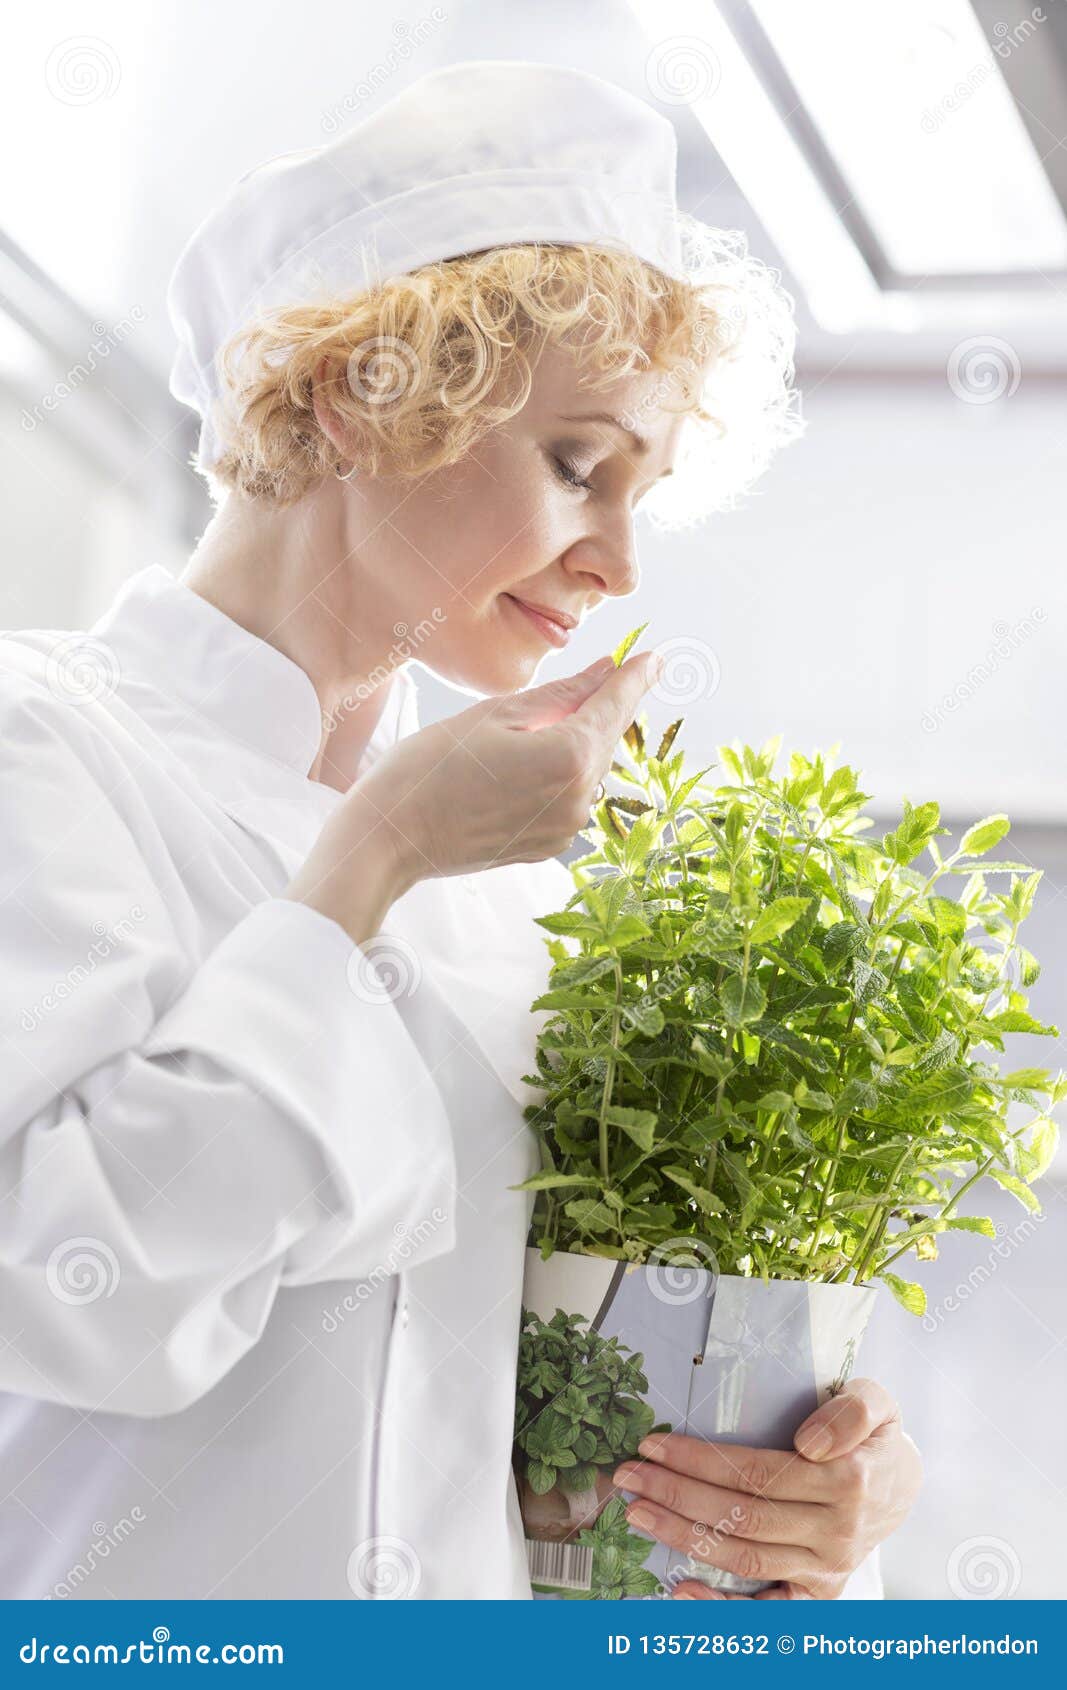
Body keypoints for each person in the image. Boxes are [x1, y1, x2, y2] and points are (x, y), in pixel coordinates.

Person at [0, 60, 919, 1600]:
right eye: (580, 466)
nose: (618, 560)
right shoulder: (45, 747)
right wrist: (370, 858)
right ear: (360, 398)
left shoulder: (503, 905)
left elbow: (563, 1468)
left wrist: (804, 1503)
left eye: (646, 496)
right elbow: (79, 1286)